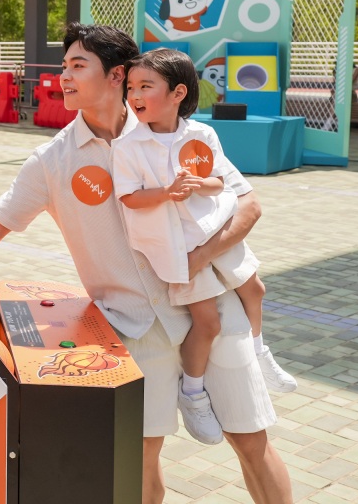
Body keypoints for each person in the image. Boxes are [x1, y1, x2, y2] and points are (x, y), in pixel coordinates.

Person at [0, 24, 293, 504]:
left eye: (78, 66)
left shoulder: (175, 133)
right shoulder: (52, 161)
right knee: (139, 458)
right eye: (63, 67)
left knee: (251, 442)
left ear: (117, 74)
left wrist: (197, 259)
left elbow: (248, 204)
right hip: (135, 329)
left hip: (212, 311)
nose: (64, 77)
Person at [113, 48, 296, 446]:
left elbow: (219, 182)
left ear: (178, 93)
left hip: (212, 232)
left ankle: (260, 352)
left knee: (255, 289)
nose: (135, 95)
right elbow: (128, 197)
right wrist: (167, 192)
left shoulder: (201, 134)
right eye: (131, 88)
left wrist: (200, 185)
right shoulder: (127, 146)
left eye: (145, 86)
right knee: (208, 322)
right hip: (177, 250)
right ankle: (193, 391)